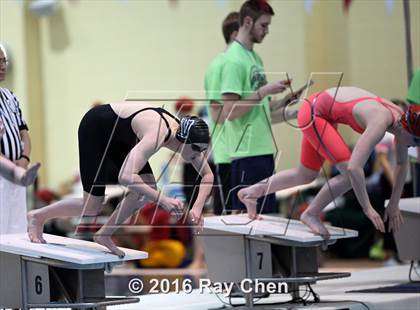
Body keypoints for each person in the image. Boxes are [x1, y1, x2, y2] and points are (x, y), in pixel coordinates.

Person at [27, 102, 214, 257]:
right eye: (197, 149)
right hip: (97, 128)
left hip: (122, 136)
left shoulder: (188, 143)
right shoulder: (157, 134)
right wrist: (162, 199)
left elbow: (208, 175)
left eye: (203, 149)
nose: (200, 155)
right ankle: (38, 216)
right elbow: (125, 177)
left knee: (145, 189)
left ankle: (104, 235)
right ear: (184, 141)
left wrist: (196, 209)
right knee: (91, 207)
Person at [238, 86, 420, 238]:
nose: (415, 147)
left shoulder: (400, 121)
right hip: (314, 113)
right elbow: (354, 167)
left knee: (306, 174)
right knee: (350, 175)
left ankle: (251, 192)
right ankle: (311, 213)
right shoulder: (380, 122)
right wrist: (368, 208)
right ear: (407, 130)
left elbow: (402, 165)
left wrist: (395, 203)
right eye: (416, 142)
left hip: (323, 114)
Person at [218, 0, 293, 215]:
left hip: (264, 151)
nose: (267, 31)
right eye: (264, 25)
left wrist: (287, 102)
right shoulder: (233, 60)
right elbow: (230, 111)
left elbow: (262, 108)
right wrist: (263, 92)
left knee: (268, 222)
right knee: (250, 226)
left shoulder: (255, 58)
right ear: (248, 22)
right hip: (245, 155)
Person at [0, 119, 40, 186]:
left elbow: (24, 134)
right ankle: (20, 174)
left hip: (19, 167)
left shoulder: (15, 108)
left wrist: (25, 158)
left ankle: (21, 174)